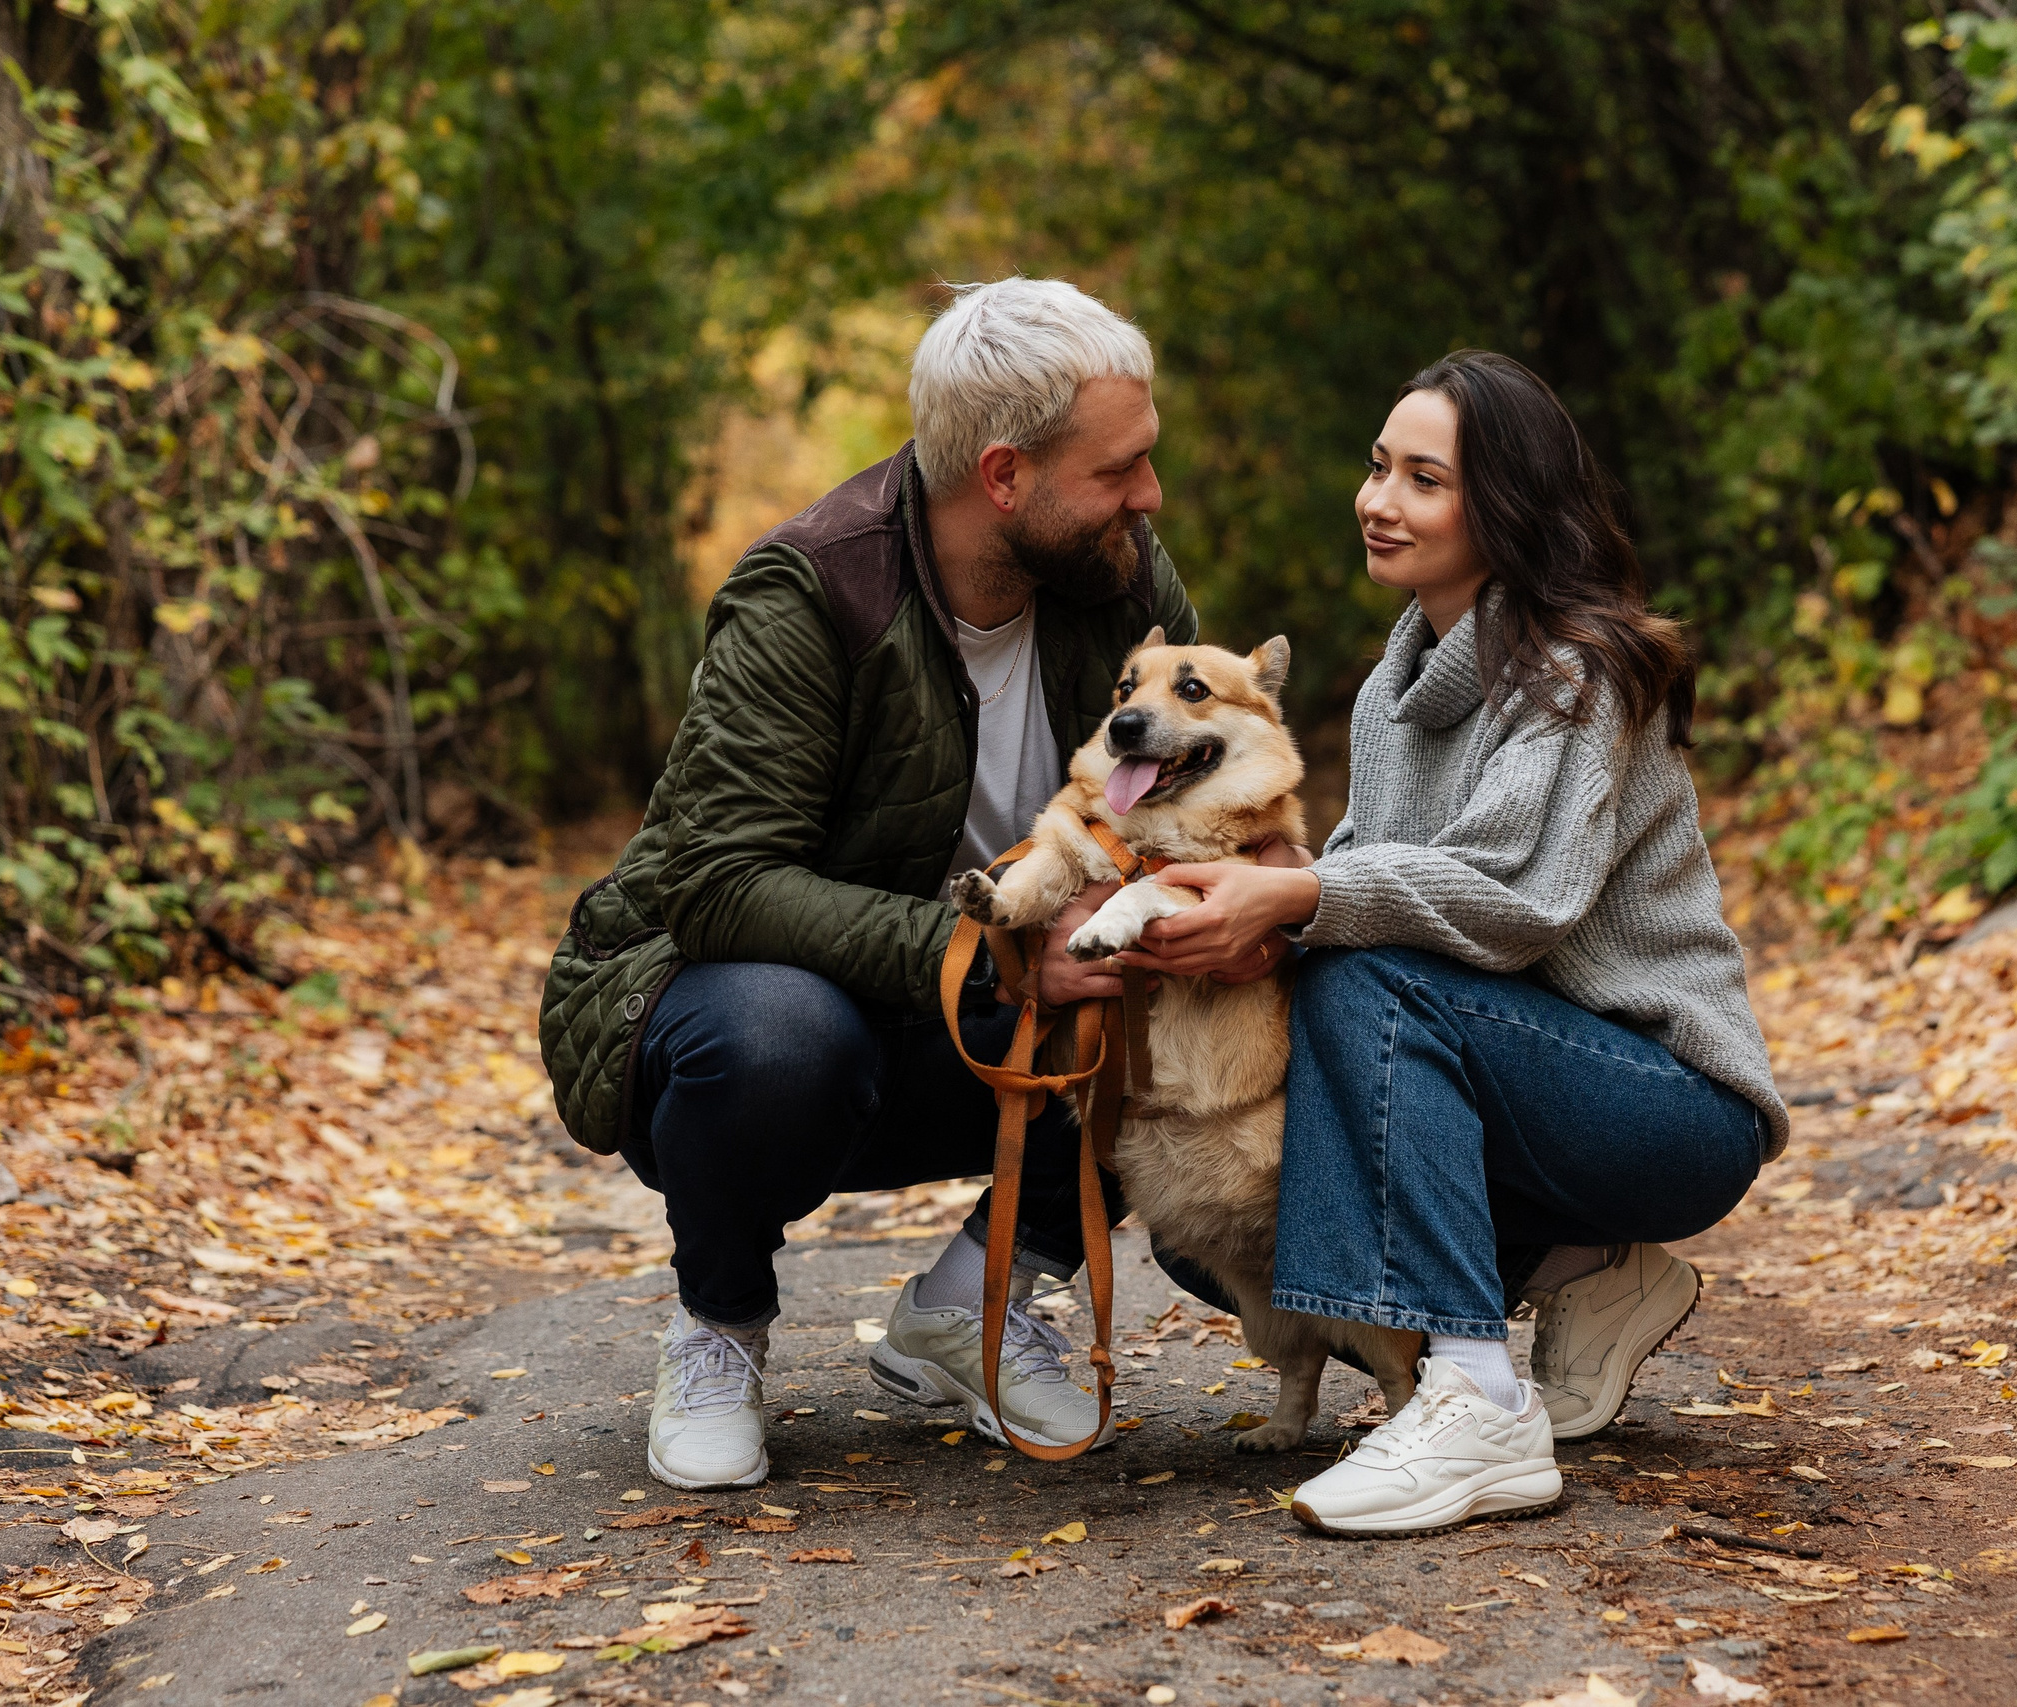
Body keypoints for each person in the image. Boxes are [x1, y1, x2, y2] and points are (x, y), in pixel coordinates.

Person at [537, 278, 1279, 1490]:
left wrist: (1256, 886)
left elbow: (1207, 783)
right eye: (1117, 470)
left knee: (1162, 970)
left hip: (1000, 1020)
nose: (1148, 495)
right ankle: (719, 1326)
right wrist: (993, 948)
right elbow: (717, 881)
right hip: (787, 1007)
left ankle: (976, 1299)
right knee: (772, 1035)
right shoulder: (810, 592)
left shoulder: (1120, 575)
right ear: (1002, 476)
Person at [1112, 350, 1788, 1535]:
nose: (1379, 500)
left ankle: (1474, 1398)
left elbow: (1514, 898)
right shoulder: (1394, 689)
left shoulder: (1579, 671)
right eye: (1379, 467)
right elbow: (1360, 887)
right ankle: (1582, 1270)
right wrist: (1241, 915)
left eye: (1424, 480)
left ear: (1506, 510)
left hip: (1663, 1097)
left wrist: (1296, 897)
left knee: (1369, 973)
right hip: (1521, 1081)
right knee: (1230, 1222)